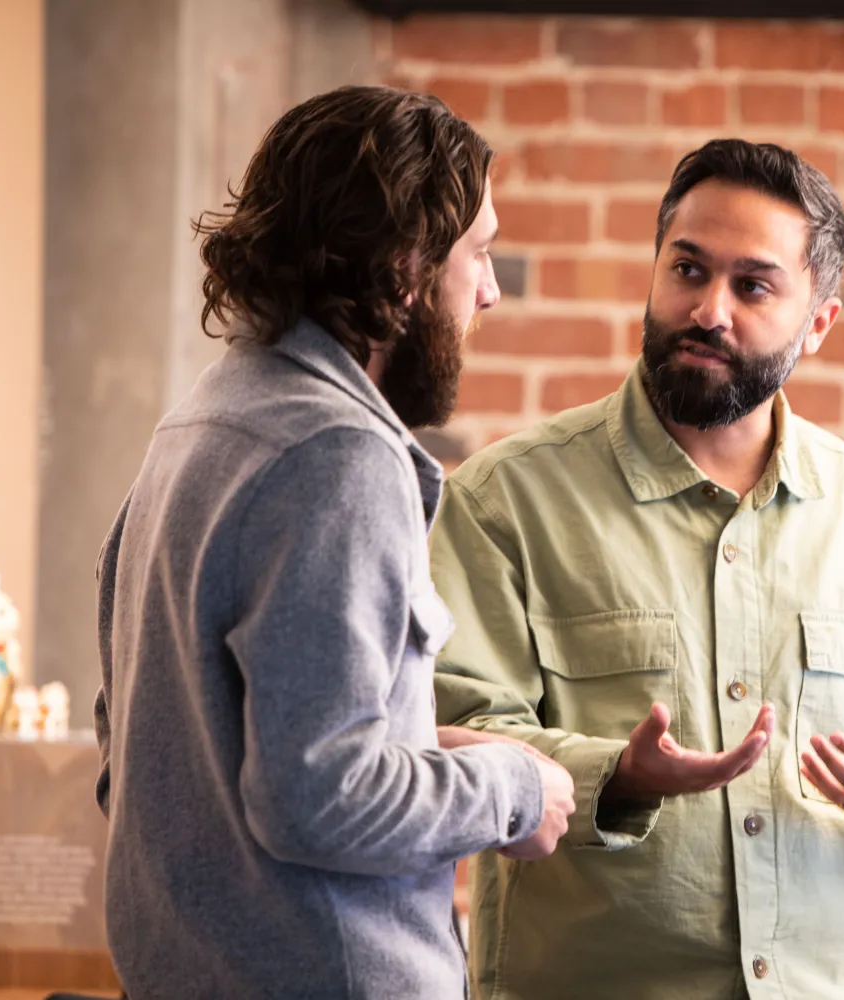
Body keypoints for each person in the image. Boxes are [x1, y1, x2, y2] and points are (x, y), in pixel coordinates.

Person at [429, 138, 844, 1000]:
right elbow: (450, 739)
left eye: (752, 285)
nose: (708, 310)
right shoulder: (505, 502)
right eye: (687, 270)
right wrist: (615, 774)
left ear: (819, 323)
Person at [91, 85, 575, 1000]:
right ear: (404, 269)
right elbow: (322, 797)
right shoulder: (339, 455)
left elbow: (150, 734)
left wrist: (414, 740)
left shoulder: (202, 419)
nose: (492, 291)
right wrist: (513, 788)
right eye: (477, 255)